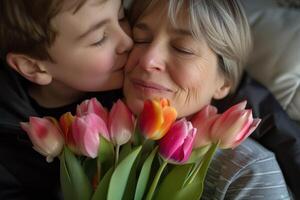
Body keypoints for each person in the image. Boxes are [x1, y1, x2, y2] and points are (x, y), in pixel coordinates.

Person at [123, 0, 293, 199]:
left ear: (223, 83)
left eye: (183, 48)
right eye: (140, 39)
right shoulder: (91, 127)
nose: (148, 60)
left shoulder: (248, 172)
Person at [0, 0, 132, 199]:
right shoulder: (7, 150)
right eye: (99, 38)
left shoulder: (136, 93)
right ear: (33, 67)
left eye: (122, 16)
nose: (128, 41)